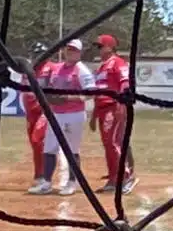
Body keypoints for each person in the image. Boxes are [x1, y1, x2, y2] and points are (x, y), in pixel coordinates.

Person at [31, 38, 96, 197]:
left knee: (72, 150)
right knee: (49, 148)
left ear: (79, 53)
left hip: (74, 114)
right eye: (68, 49)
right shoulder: (57, 68)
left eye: (73, 50)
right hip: (55, 114)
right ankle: (46, 182)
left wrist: (67, 98)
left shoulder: (82, 70)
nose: (70, 52)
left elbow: (91, 93)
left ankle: (72, 182)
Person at [93, 33, 138, 195]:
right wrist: (94, 114)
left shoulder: (118, 63)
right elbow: (98, 91)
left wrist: (122, 105)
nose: (98, 50)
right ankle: (113, 178)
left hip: (114, 107)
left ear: (110, 47)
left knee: (114, 143)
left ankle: (126, 177)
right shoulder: (101, 66)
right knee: (108, 145)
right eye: (97, 47)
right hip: (102, 109)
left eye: (100, 46)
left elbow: (125, 83)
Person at [19, 42, 50, 194]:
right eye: (35, 53)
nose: (38, 56)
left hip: (44, 110)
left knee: (38, 140)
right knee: (34, 143)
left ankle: (44, 176)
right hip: (30, 112)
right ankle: (38, 174)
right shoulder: (27, 70)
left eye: (41, 53)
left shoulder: (50, 69)